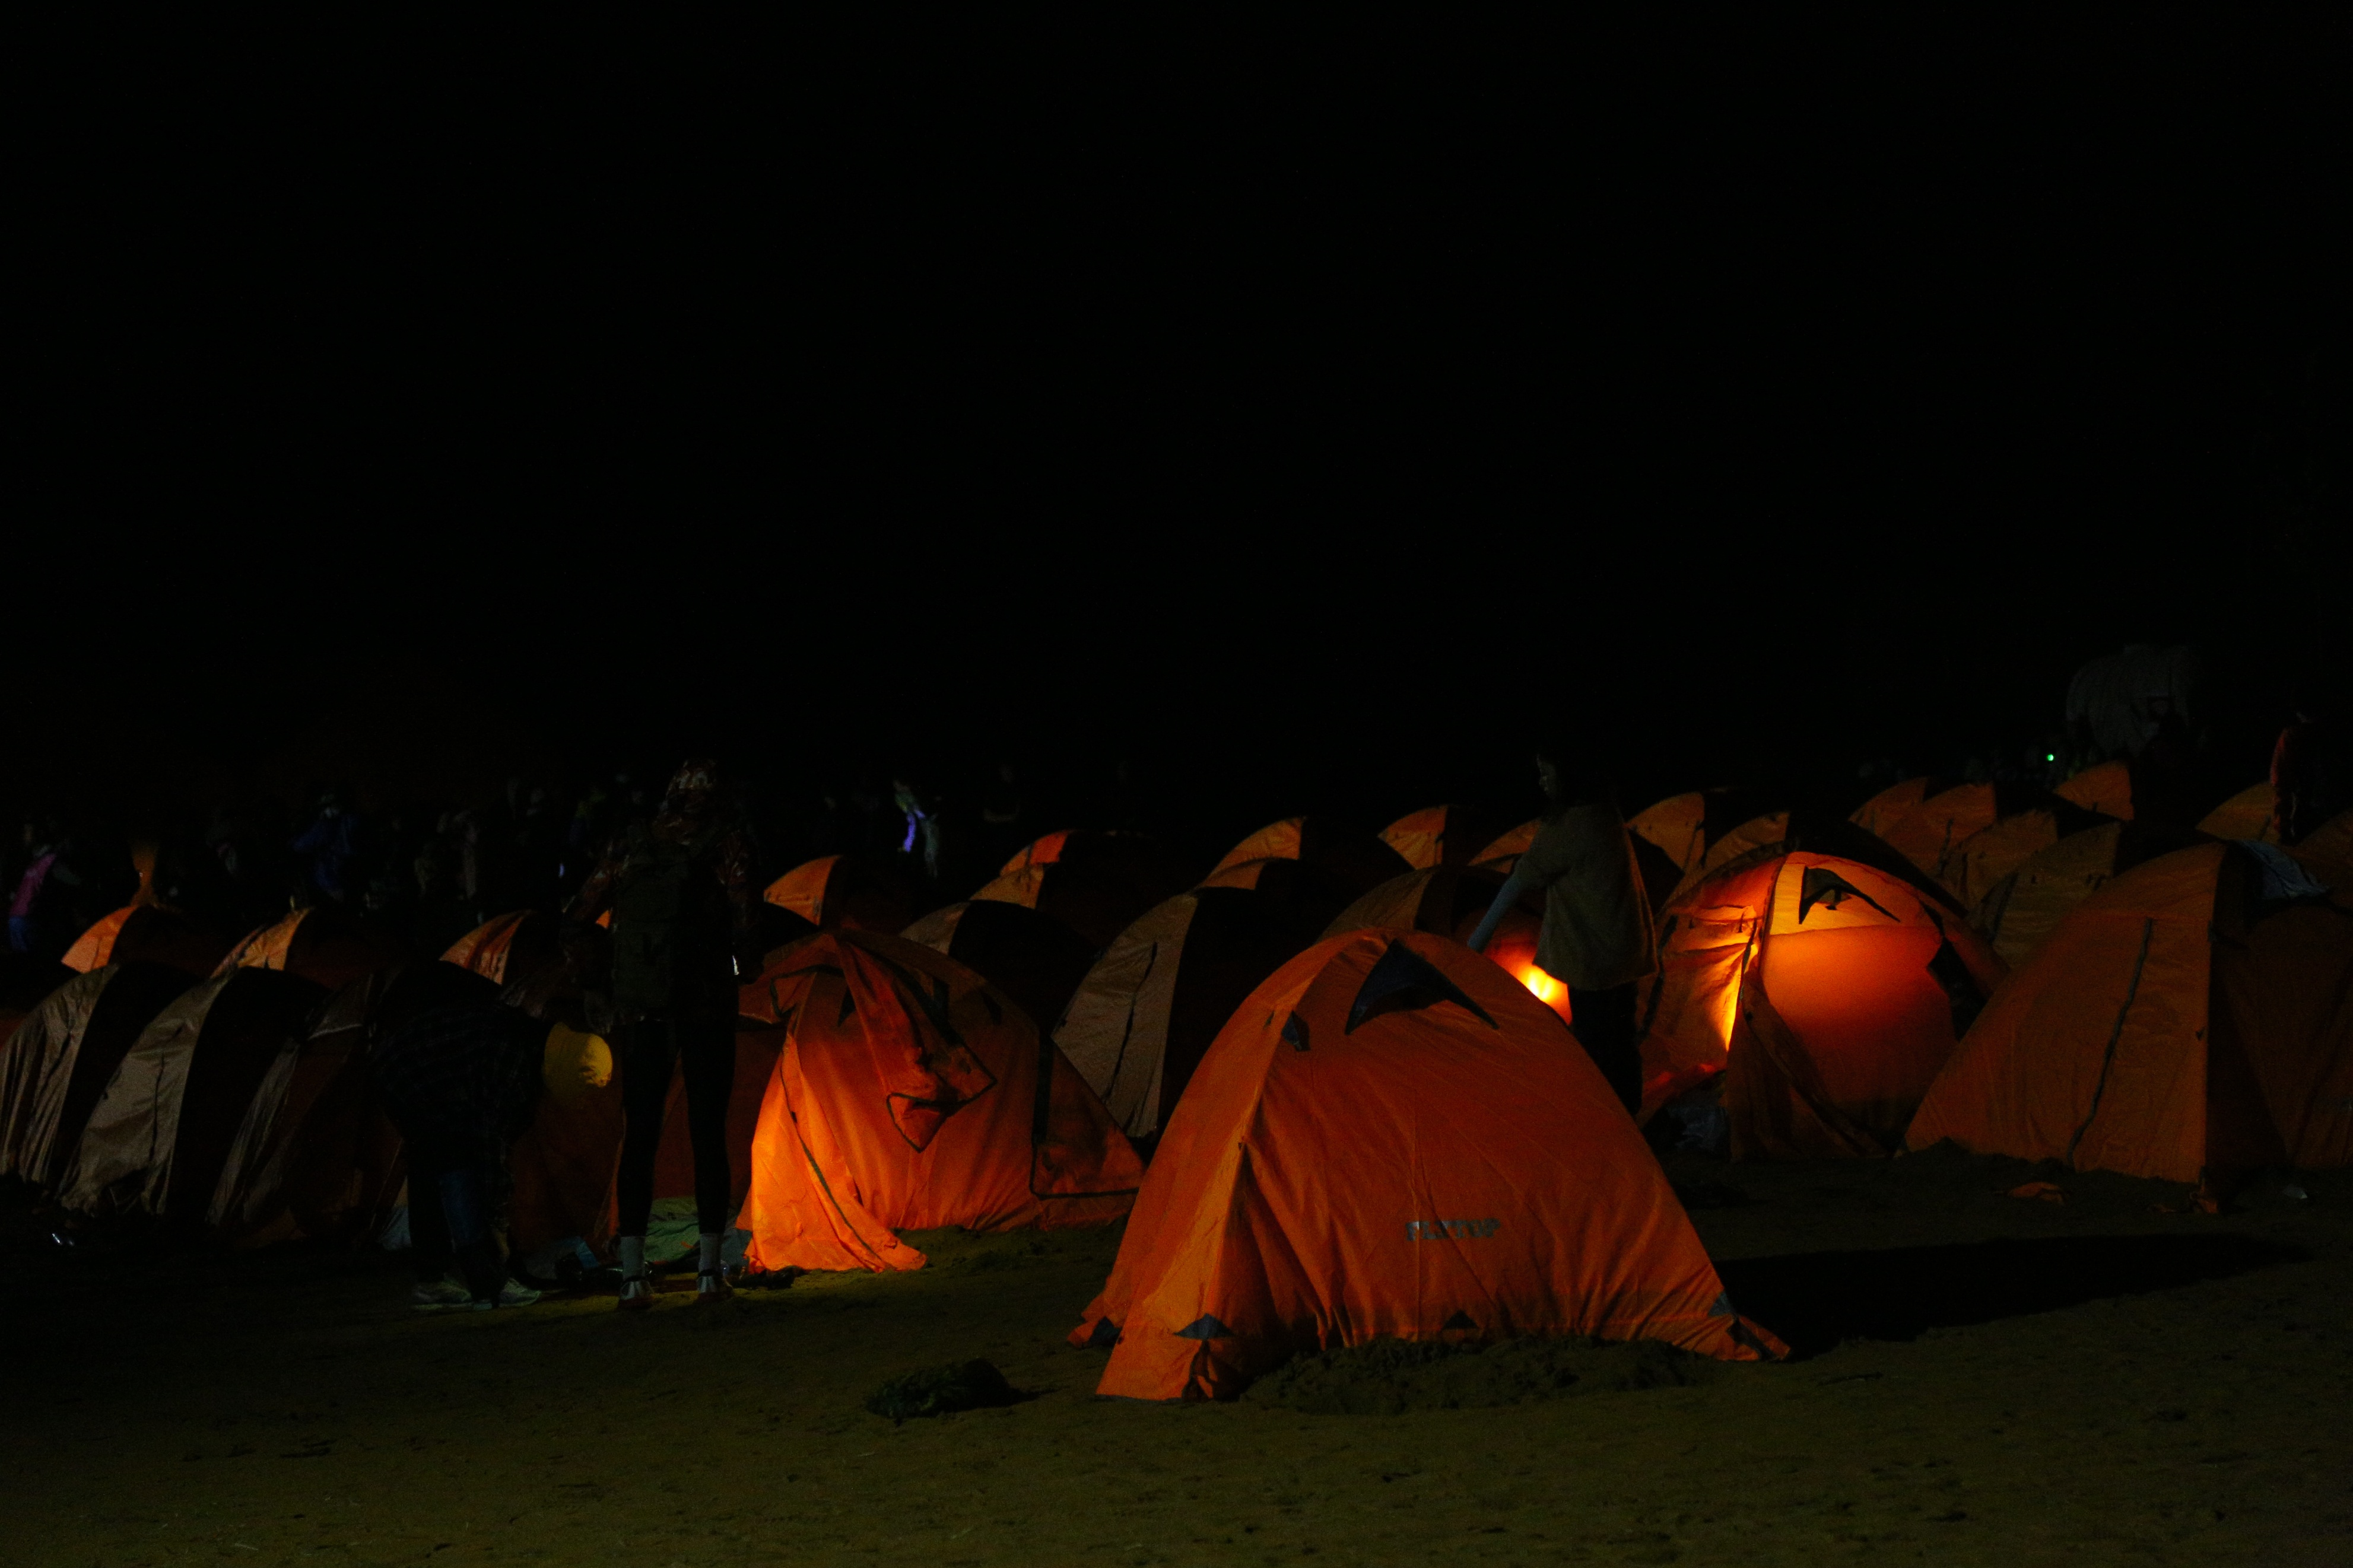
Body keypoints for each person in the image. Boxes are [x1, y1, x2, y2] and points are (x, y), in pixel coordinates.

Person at [562, 759, 757, 1311]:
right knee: (707, 1132)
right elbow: (746, 922)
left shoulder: (633, 842)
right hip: (706, 1008)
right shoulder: (729, 842)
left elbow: (576, 915)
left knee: (639, 1136)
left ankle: (631, 1276)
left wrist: (598, 986)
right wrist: (742, 963)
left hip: (642, 1010)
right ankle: (709, 1272)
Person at [1466, 745, 1657, 1114]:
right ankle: (1629, 1121)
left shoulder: (1572, 824)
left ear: (1569, 778)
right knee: (1621, 1043)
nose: (1542, 783)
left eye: (1547, 774)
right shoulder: (1605, 813)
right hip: (1624, 949)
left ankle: (1600, 1122)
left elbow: (1520, 881)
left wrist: (1475, 943)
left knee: (1594, 1045)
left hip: (1594, 957)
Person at [371, 982, 557, 1311]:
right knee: (454, 1166)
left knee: (431, 1166)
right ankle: (489, 1284)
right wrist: (496, 1223)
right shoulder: (512, 1062)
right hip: (409, 1073)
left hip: (410, 1067)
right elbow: (489, 1144)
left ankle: (433, 1280)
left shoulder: (526, 1042)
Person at [8, 820, 81, 958]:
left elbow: (76, 882)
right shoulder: (35, 860)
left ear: (40, 834)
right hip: (20, 920)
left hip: (31, 921)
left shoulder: (52, 860)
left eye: (28, 831)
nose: (24, 835)